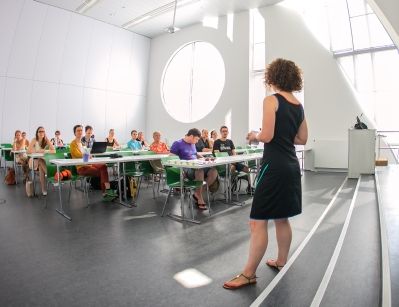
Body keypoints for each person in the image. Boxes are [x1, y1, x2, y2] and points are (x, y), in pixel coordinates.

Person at [223, 58, 307, 289]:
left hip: (274, 166)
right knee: (282, 218)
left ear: (272, 78)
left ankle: (249, 274)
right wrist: (282, 134)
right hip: (291, 166)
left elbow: (267, 136)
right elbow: (302, 139)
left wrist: (253, 135)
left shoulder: (271, 100)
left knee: (257, 222)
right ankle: (281, 261)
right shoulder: (298, 105)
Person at [170, 128, 218, 210]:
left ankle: (197, 193)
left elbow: (195, 154)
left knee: (214, 171)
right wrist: (181, 165)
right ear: (191, 136)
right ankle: (200, 198)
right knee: (199, 171)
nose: (196, 141)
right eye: (196, 139)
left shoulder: (192, 144)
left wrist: (204, 158)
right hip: (186, 169)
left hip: (196, 165)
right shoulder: (177, 143)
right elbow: (171, 158)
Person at [70, 125, 117, 201]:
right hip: (81, 168)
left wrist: (88, 155)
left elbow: (85, 157)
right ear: (74, 133)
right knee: (102, 171)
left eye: (81, 130)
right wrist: (87, 155)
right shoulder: (72, 144)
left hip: (88, 164)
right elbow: (78, 155)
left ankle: (107, 191)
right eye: (78, 130)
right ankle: (106, 192)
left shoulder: (82, 144)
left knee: (103, 166)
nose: (80, 132)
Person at [213, 125, 253, 193]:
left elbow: (234, 153)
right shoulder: (217, 142)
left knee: (247, 169)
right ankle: (229, 189)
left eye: (226, 131)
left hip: (233, 162)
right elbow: (217, 155)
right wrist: (230, 161)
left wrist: (234, 159)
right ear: (220, 132)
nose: (225, 133)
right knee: (233, 167)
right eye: (223, 131)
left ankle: (249, 188)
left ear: (228, 132)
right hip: (223, 164)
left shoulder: (230, 142)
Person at [27, 126, 56, 195]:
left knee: (41, 166)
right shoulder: (34, 140)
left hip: (41, 161)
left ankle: (43, 189)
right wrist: (37, 151)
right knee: (40, 161)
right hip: (33, 161)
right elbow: (28, 151)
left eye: (43, 131)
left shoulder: (46, 140)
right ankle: (52, 177)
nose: (41, 133)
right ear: (37, 133)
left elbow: (54, 151)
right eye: (40, 131)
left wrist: (44, 150)